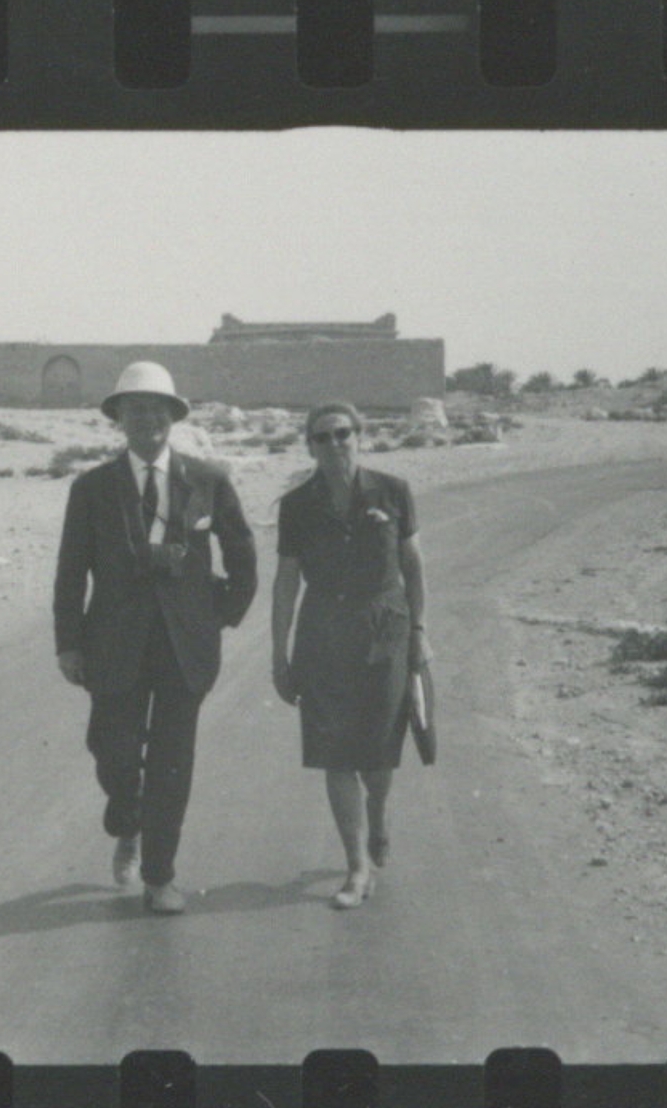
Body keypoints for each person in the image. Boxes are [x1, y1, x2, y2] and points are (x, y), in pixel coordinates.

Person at [54, 361, 257, 914]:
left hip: (184, 649)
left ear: (173, 417)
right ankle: (127, 817)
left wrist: (216, 616)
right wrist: (68, 643)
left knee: (172, 759)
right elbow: (72, 571)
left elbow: (242, 557)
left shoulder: (208, 480)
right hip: (112, 644)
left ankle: (159, 876)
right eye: (134, 409)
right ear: (119, 419)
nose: (147, 420)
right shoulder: (92, 488)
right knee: (112, 750)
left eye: (157, 409)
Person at [271, 402, 432, 910]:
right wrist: (280, 651)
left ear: (360, 437)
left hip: (385, 631)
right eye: (322, 438)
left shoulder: (393, 492)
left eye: (343, 434)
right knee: (335, 756)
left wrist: (419, 633)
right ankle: (357, 866)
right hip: (322, 639)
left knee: (378, 755)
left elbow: (413, 567)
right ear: (310, 447)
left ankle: (379, 814)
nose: (334, 444)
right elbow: (286, 580)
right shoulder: (296, 506)